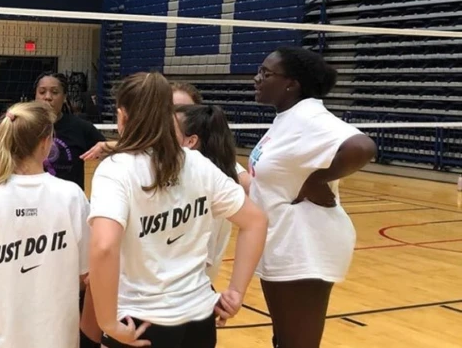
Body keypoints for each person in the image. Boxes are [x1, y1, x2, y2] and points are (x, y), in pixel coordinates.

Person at [88, 72, 268, 348]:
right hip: (199, 319)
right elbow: (256, 221)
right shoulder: (197, 163)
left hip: (142, 319)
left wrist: (108, 322)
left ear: (122, 117)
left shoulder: (116, 169)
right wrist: (236, 291)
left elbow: (104, 246)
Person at [250, 47, 376, 348]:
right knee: (284, 340)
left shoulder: (309, 116)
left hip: (306, 246)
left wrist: (316, 181)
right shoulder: (287, 118)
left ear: (291, 84)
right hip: (283, 242)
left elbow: (362, 147)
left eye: (266, 73)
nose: (257, 78)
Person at [0, 101, 90, 348]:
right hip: (57, 338)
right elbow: (85, 273)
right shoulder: (72, 195)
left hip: (2, 339)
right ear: (46, 143)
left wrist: (8, 294)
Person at [175, 104, 251, 284]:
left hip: (188, 287)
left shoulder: (205, 184)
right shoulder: (217, 169)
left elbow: (199, 262)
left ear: (191, 141)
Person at [34, 72, 106, 190]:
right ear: (35, 96)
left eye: (55, 92)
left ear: (64, 97)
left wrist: (108, 147)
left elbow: (111, 153)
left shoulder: (80, 127)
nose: (47, 97)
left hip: (69, 199)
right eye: (42, 92)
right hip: (33, 199)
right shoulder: (24, 126)